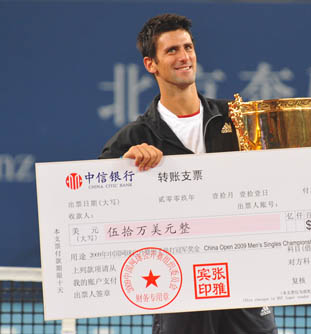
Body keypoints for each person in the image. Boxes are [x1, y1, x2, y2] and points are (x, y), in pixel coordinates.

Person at [99, 13, 278, 334]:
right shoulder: (133, 139)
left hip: (245, 277)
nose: (184, 57)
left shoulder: (238, 119)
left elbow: (279, 179)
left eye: (188, 47)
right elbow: (96, 205)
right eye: (171, 51)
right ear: (150, 64)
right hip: (178, 285)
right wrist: (124, 171)